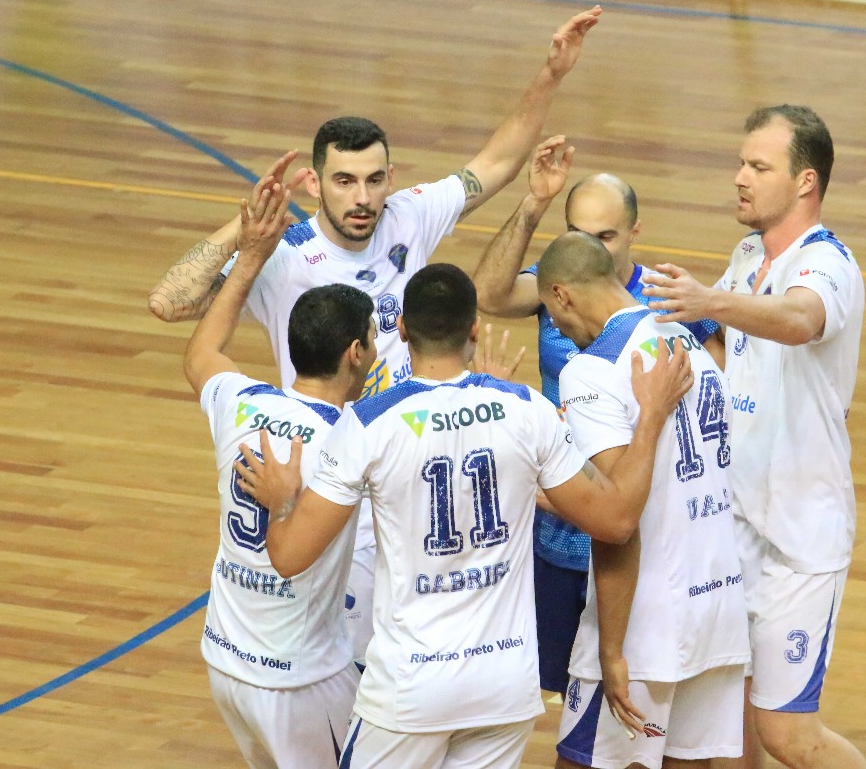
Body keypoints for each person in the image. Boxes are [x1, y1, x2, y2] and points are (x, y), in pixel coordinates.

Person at [150, 5, 603, 663]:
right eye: (343, 181)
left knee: (417, 647)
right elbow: (169, 301)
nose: (361, 196)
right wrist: (241, 229)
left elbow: (498, 160)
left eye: (372, 179)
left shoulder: (410, 215)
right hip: (330, 482)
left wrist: (551, 72)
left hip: (411, 467)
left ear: (390, 177)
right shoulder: (282, 256)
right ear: (316, 183)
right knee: (348, 662)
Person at [232, 262, 694, 769]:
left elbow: (291, 556)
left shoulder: (367, 423)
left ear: (402, 330)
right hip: (503, 685)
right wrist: (651, 415)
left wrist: (281, 505)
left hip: (411, 689)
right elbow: (616, 521)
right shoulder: (526, 409)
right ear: (474, 328)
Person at [643, 105, 866, 769]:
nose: (739, 177)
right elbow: (731, 344)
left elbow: (798, 320)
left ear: (805, 182)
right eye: (741, 162)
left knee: (786, 734)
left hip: (801, 533)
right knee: (728, 721)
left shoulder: (827, 265)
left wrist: (709, 301)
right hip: (734, 519)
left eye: (758, 166)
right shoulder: (747, 254)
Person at [470, 137, 723, 697]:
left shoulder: (669, 303)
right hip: (559, 530)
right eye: (582, 235)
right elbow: (487, 292)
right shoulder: (560, 281)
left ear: (635, 230)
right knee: (563, 687)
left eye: (606, 235)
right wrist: (533, 202)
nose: (597, 250)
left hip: (633, 539)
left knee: (620, 691)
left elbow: (716, 409)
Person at [534, 232, 749, 769]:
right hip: (716, 604)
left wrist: (610, 651)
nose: (557, 329)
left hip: (646, 621)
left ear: (561, 295)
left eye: (553, 315)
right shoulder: (688, 342)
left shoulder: (591, 371)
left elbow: (614, 521)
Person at [182, 173, 375, 766]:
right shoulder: (351, 439)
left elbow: (201, 355)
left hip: (225, 659)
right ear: (356, 353)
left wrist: (250, 260)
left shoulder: (243, 402)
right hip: (298, 678)